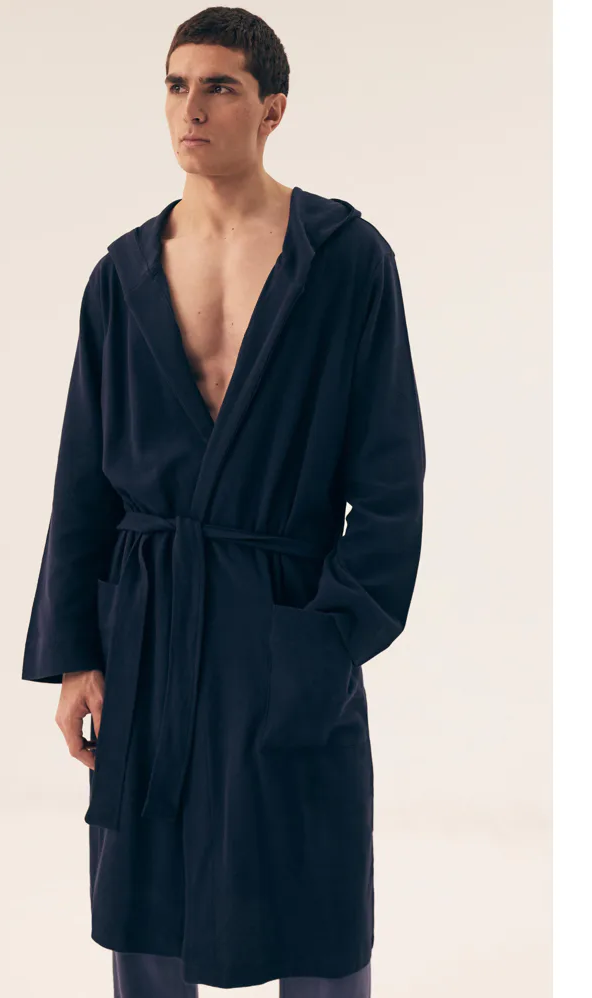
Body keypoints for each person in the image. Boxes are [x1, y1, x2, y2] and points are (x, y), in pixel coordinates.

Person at [22, 7, 426, 996]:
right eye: (175, 85)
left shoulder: (345, 260)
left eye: (219, 87)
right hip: (149, 622)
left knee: (314, 891)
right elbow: (82, 477)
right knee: (149, 896)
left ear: (272, 109)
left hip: (286, 610)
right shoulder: (121, 275)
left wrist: (331, 638)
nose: (190, 108)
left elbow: (389, 477)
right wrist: (76, 652)